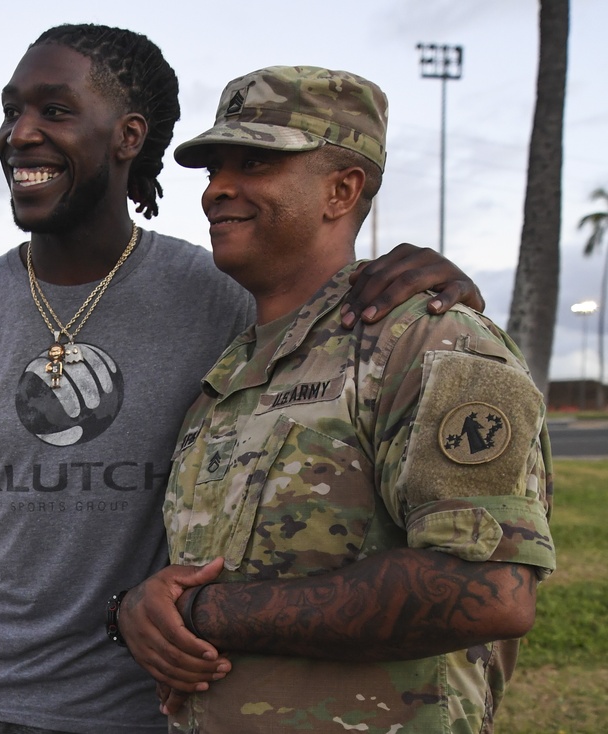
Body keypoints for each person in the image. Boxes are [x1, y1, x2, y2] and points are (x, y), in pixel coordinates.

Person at [0, 25, 486, 734]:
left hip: (152, 702)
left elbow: (328, 309)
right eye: (11, 111)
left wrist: (436, 280)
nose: (20, 133)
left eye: (54, 111)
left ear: (128, 136)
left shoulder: (223, 295)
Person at [118, 65, 556, 734]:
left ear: (342, 189)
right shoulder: (228, 376)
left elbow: (487, 591)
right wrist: (145, 608)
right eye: (213, 169)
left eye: (256, 163)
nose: (217, 190)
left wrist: (202, 612)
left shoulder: (432, 340)